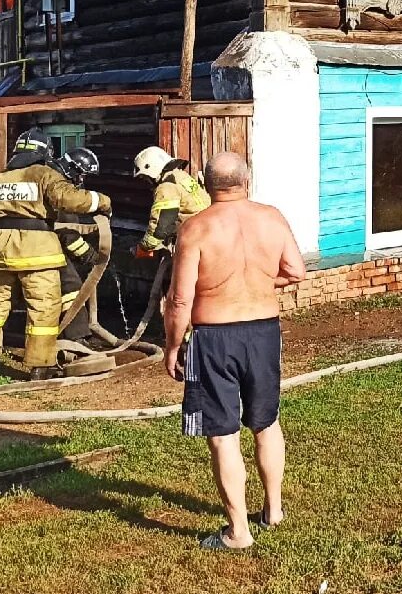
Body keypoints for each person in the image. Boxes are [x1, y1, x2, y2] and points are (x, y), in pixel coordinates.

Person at [164, 151, 306, 550]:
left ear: (207, 184)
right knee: (267, 422)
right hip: (263, 332)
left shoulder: (195, 229)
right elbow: (296, 271)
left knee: (223, 435)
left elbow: (179, 300)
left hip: (214, 338)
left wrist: (172, 346)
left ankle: (238, 532)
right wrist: (259, 283)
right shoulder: (272, 218)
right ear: (247, 179)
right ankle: (273, 510)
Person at [0, 133, 112, 381]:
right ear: (45, 153)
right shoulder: (42, 174)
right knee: (43, 307)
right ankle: (40, 367)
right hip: (37, 249)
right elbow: (68, 198)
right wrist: (102, 200)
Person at [133, 145, 211, 256]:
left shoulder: (166, 188)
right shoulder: (181, 176)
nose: (146, 181)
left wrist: (143, 248)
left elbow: (161, 227)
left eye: (145, 177)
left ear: (152, 169)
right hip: (209, 232)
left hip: (194, 240)